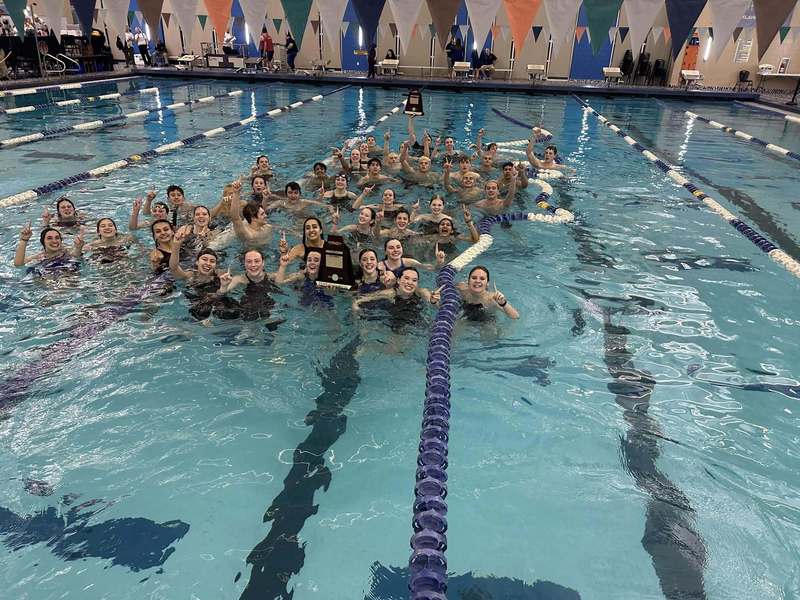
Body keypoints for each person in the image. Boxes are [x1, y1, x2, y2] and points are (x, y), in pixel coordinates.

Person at [169, 232, 239, 321]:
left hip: (218, 298)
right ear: (197, 262)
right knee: (201, 312)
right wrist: (176, 245)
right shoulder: (190, 276)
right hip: (199, 304)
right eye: (204, 259)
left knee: (235, 310)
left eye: (212, 261)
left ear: (215, 266)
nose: (208, 263)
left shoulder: (220, 274)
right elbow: (174, 268)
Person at [352, 267, 441, 333]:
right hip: (395, 317)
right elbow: (361, 299)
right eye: (406, 278)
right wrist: (356, 308)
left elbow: (435, 303)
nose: (410, 282)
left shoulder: (421, 292)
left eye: (414, 280)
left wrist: (433, 301)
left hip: (415, 316)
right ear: (398, 280)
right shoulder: (390, 293)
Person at [219, 249, 280, 320]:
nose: (253, 265)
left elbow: (286, 280)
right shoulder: (239, 279)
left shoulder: (272, 276)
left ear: (263, 263)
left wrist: (283, 266)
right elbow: (220, 293)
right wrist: (224, 286)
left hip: (270, 306)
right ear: (244, 264)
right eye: (249, 262)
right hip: (248, 310)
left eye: (257, 261)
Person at [13, 223, 85, 268]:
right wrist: (24, 240)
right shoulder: (39, 256)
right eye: (49, 238)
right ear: (43, 242)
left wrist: (78, 248)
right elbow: (18, 264)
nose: (54, 241)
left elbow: (75, 255)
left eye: (57, 238)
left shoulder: (67, 251)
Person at [229, 180, 274, 247]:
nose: (266, 215)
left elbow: (260, 212)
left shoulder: (267, 227)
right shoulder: (249, 234)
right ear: (253, 217)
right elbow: (235, 218)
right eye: (262, 214)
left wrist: (265, 199)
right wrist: (236, 193)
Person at [378, 238, 444, 279]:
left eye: (398, 247)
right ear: (385, 252)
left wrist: (439, 262)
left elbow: (429, 268)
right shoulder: (379, 266)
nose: (395, 250)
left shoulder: (409, 262)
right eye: (391, 248)